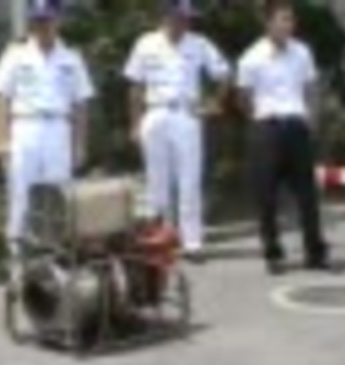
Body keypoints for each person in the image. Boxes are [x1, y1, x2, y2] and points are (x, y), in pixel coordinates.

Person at [122, 0, 232, 263]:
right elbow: (135, 87)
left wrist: (213, 103)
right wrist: (135, 124)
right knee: (157, 182)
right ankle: (163, 238)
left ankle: (192, 242)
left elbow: (224, 74)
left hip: (186, 114)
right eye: (179, 17)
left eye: (187, 17)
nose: (184, 22)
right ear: (166, 15)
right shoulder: (145, 43)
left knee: (189, 180)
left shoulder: (199, 43)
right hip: (155, 112)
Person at [0, 0, 96, 259]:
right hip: (25, 127)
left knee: (57, 194)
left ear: (58, 21)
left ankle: (52, 253)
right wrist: (1, 141)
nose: (43, 26)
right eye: (38, 21)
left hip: (58, 129)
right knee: (20, 191)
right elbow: (2, 99)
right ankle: (17, 254)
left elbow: (80, 105)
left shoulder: (72, 58)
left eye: (47, 20)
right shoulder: (15, 55)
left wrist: (79, 144)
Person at [235, 0, 330, 275]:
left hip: (297, 125)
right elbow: (243, 97)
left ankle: (315, 251)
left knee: (307, 194)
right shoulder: (251, 57)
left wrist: (312, 118)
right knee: (266, 195)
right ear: (268, 23)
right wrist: (259, 120)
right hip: (267, 127)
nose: (289, 25)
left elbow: (311, 87)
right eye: (283, 19)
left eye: (291, 19)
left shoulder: (302, 52)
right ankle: (273, 252)